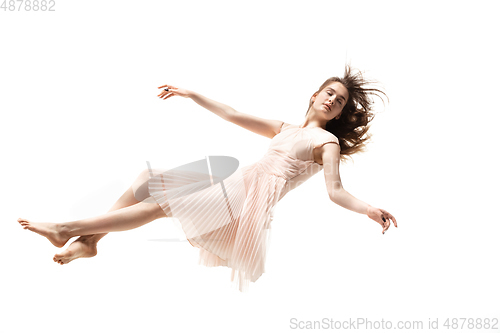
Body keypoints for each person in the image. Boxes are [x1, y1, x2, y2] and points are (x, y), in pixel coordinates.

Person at [17, 65, 397, 292]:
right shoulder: (286, 128)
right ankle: (88, 243)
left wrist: (367, 209)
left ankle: (66, 228)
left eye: (341, 101)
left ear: (340, 112)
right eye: (329, 93)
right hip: (240, 184)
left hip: (248, 199)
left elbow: (336, 191)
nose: (332, 100)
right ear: (315, 95)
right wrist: (191, 93)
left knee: (157, 205)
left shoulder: (326, 142)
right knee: (148, 180)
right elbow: (232, 113)